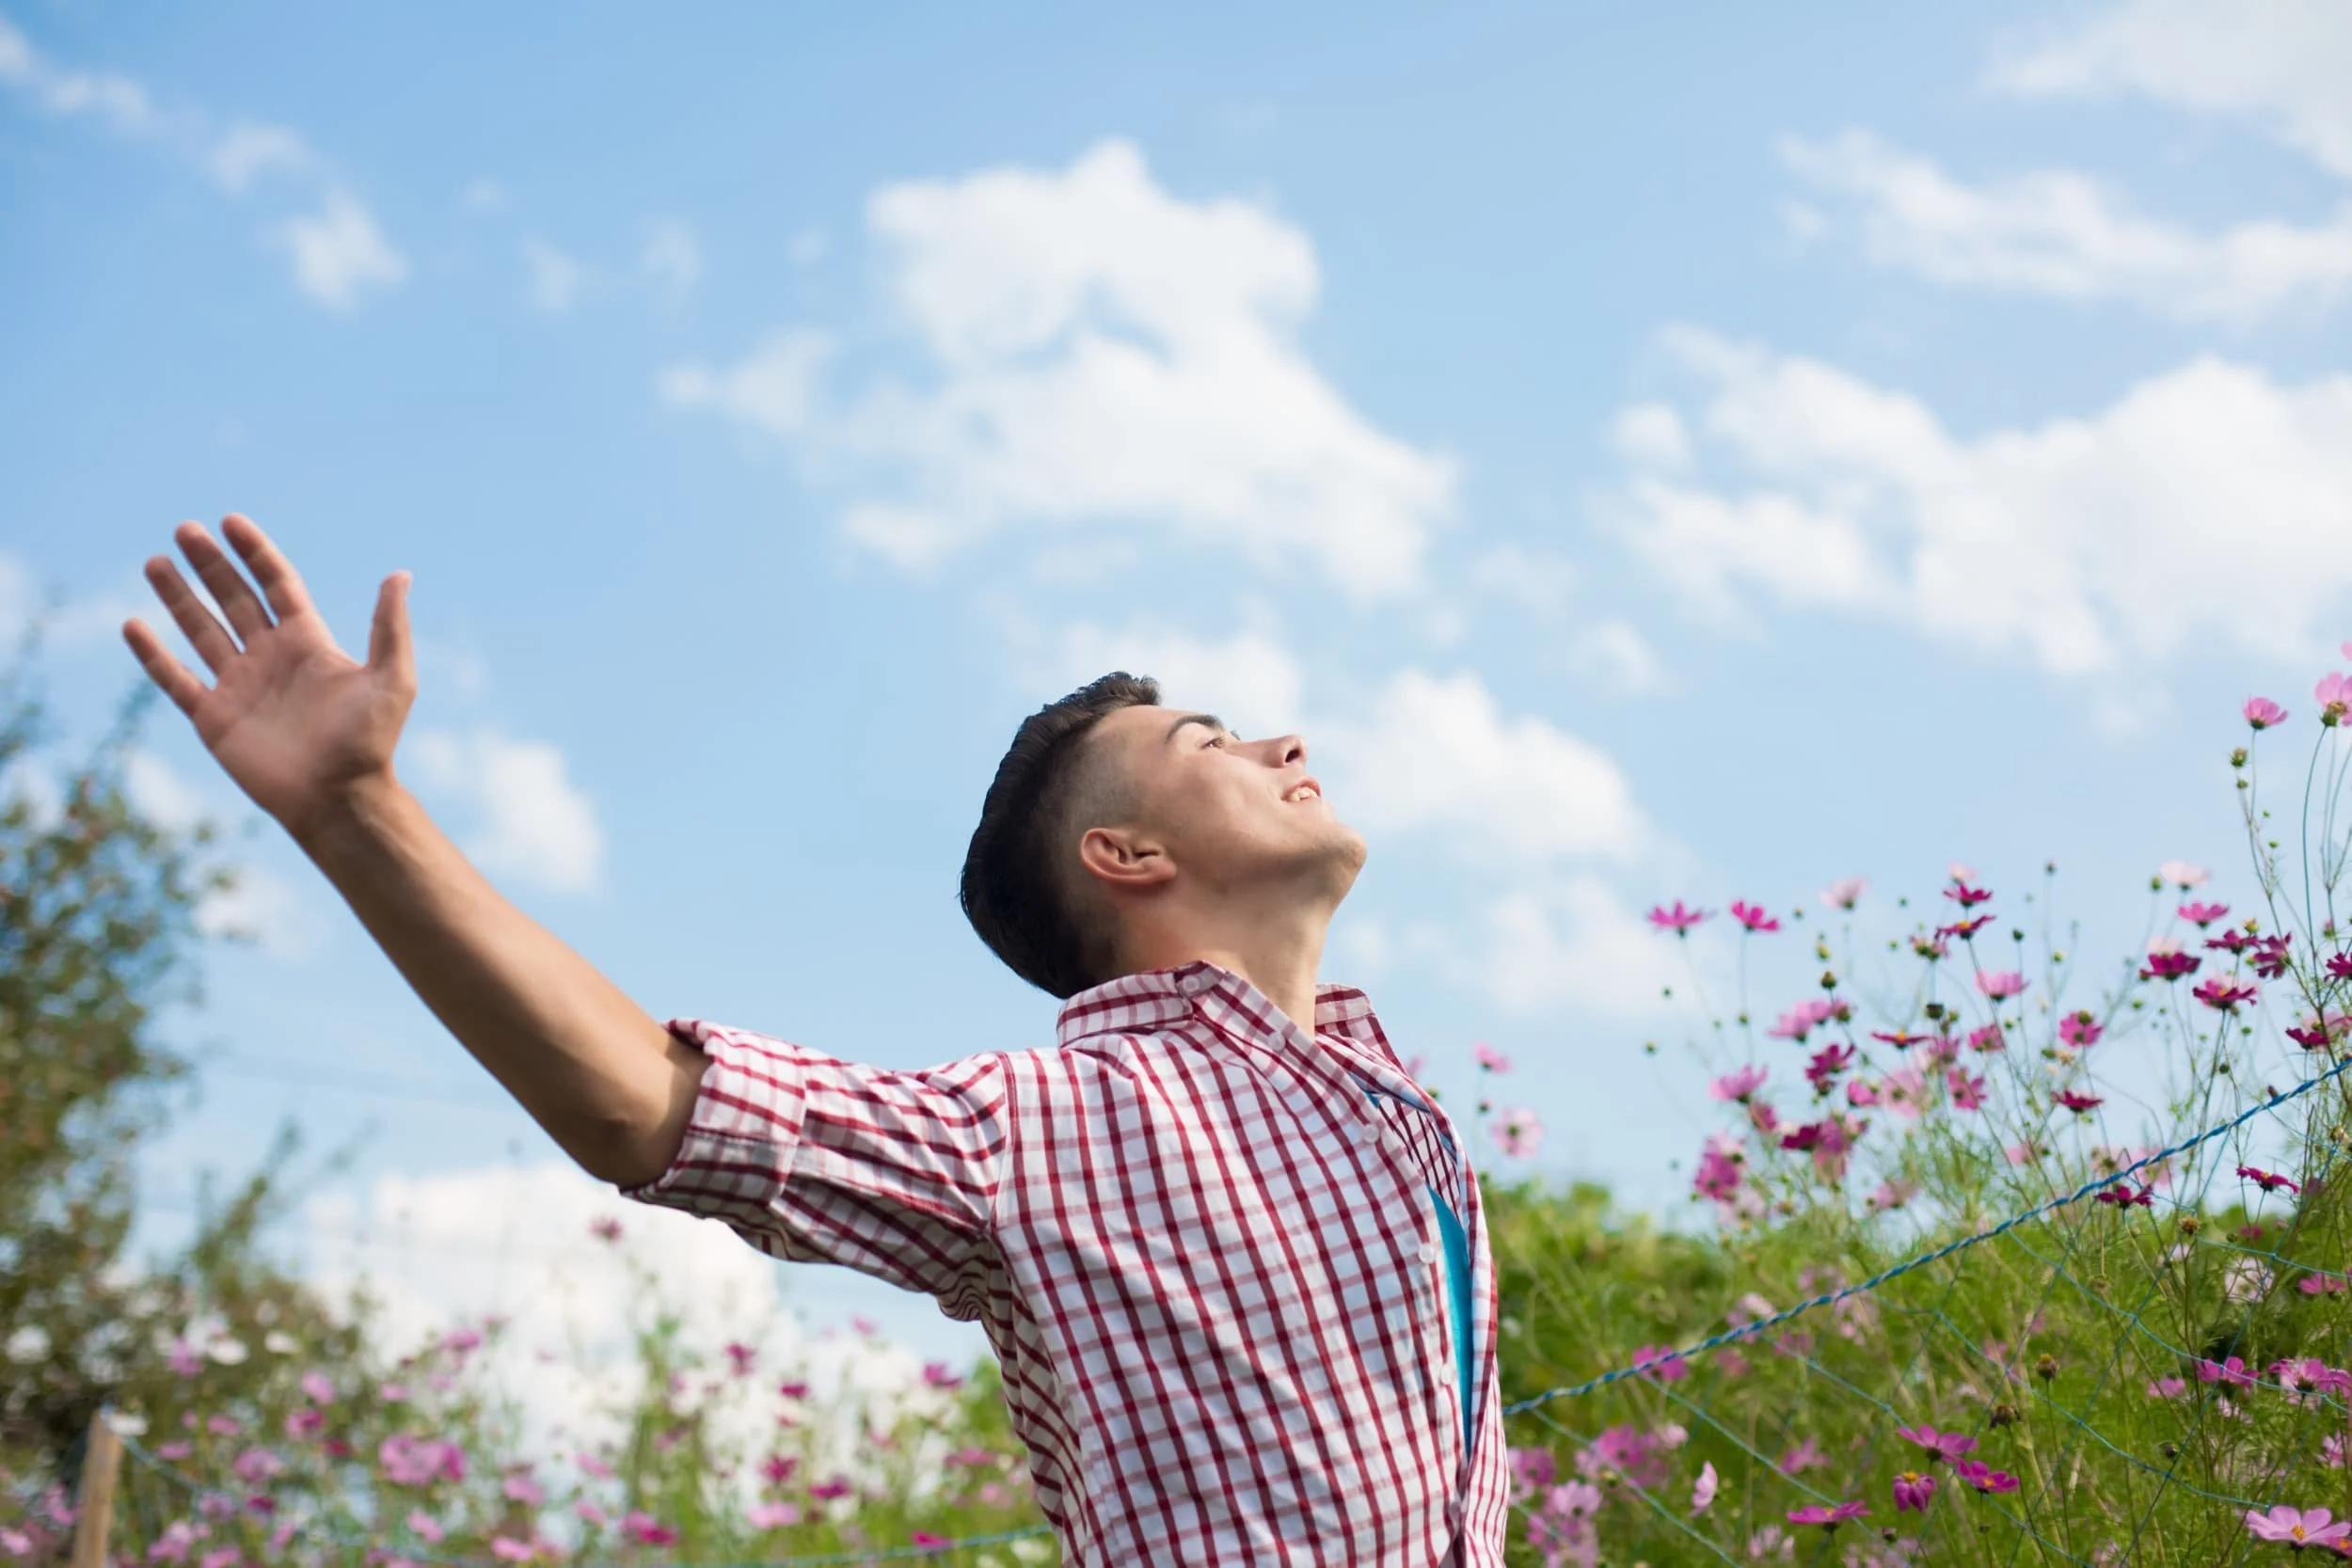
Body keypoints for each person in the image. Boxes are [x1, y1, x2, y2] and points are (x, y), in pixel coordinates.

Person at [124, 515, 1509, 1565]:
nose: (1284, 742)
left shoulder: (1397, 1109)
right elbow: (653, 1106)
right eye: (1211, 737)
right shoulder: (1048, 1126)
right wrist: (356, 812)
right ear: (1126, 851)